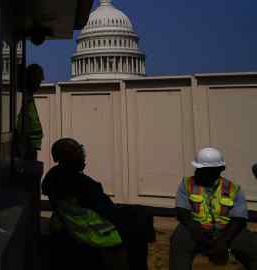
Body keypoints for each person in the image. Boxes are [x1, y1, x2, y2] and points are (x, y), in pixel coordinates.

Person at [42, 138, 154, 270]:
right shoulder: (83, 184)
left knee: (137, 214)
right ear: (72, 158)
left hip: (76, 222)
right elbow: (107, 211)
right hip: (92, 228)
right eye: (78, 152)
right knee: (140, 220)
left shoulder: (53, 177)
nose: (82, 156)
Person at [170, 147, 257, 270]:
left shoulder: (233, 188)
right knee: (179, 241)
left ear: (220, 170)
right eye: (198, 168)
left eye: (205, 170)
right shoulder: (186, 184)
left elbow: (239, 219)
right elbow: (182, 211)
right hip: (196, 227)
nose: (199, 172)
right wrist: (196, 231)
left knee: (252, 246)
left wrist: (224, 241)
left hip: (227, 229)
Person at [15, 64, 44, 161]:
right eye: (39, 80)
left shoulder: (27, 97)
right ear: (32, 79)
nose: (39, 84)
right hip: (26, 148)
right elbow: (20, 125)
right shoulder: (22, 99)